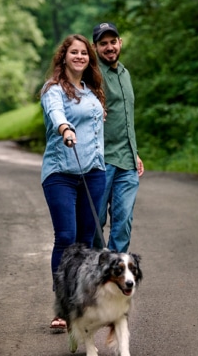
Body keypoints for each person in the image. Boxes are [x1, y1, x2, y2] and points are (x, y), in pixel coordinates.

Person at [40, 34, 106, 330]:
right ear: (63, 57)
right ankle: (63, 307)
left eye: (84, 53)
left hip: (93, 172)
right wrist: (65, 128)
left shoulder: (92, 92)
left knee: (86, 241)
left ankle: (84, 304)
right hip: (60, 173)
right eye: (74, 52)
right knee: (66, 238)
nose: (80, 56)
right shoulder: (53, 89)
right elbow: (56, 113)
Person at [92, 22, 144, 253]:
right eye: (103, 44)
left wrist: (135, 153)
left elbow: (125, 118)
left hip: (127, 162)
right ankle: (94, 270)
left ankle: (114, 275)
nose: (109, 47)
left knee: (122, 224)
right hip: (101, 161)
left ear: (120, 43)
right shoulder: (92, 75)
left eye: (113, 42)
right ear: (95, 47)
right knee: (95, 221)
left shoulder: (125, 74)